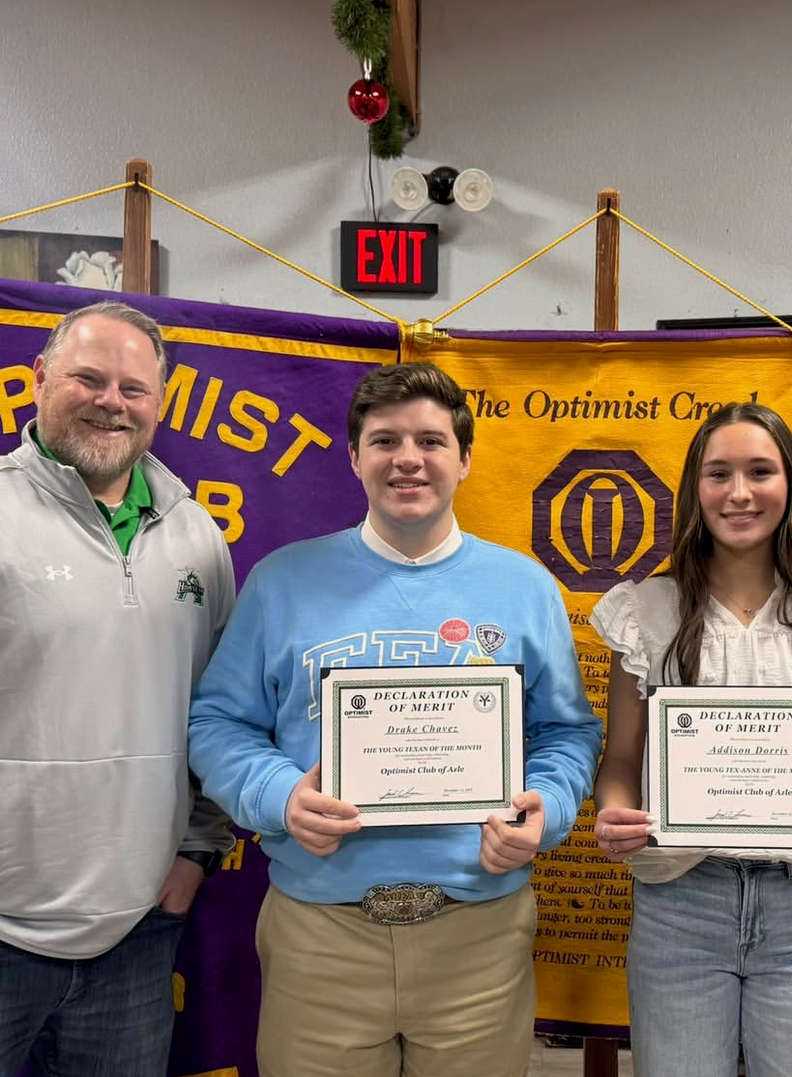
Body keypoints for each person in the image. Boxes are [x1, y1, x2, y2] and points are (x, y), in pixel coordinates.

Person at [187, 361, 601, 1077]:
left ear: (465, 459)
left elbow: (567, 733)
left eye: (431, 441)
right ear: (353, 457)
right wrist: (279, 795)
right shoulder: (282, 580)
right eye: (384, 441)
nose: (407, 458)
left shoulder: (526, 586)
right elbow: (216, 722)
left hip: (479, 933)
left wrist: (551, 807)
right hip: (322, 934)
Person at [590, 402, 792, 1077]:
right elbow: (619, 761)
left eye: (760, 471)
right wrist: (614, 812)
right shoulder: (646, 609)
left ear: (790, 481)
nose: (739, 492)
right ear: (693, 489)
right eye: (718, 473)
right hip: (681, 903)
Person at [0, 301, 235, 1077]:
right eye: (89, 378)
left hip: (137, 929)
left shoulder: (197, 534)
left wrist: (199, 848)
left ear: (159, 403)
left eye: (134, 388)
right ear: (39, 379)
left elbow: (220, 711)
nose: (112, 401)